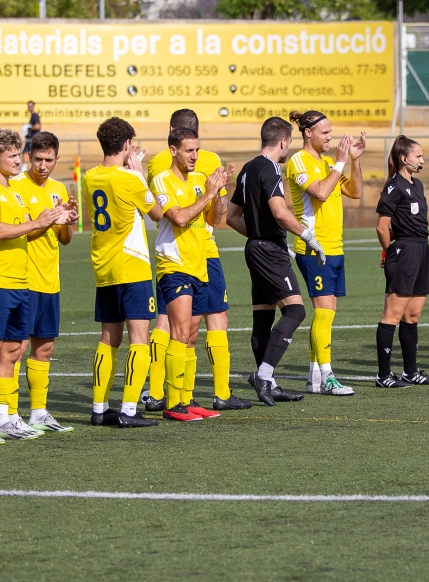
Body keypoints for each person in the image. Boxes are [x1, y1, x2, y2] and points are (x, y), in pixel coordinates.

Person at [0, 128, 71, 444]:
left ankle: (2, 418)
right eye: (12, 155)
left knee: (13, 350)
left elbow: (28, 232)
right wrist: (39, 222)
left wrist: (56, 221)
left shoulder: (13, 190)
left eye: (17, 153)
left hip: (21, 282)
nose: (17, 160)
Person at [143, 109, 250, 412]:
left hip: (201, 256)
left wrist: (215, 193)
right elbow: (169, 212)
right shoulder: (165, 170)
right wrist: (209, 194)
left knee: (180, 326)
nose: (194, 155)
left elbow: (216, 217)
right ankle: (182, 396)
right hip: (179, 256)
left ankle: (171, 395)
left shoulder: (200, 168)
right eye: (189, 149)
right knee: (183, 326)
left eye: (196, 149)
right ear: (175, 144)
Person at [226, 117, 323, 406]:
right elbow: (280, 212)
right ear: (282, 141)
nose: (288, 148)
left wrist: (258, 236)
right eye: (289, 143)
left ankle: (270, 383)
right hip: (268, 250)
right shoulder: (269, 168)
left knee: (263, 317)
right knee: (295, 312)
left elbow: (231, 217)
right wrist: (307, 236)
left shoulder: (247, 169)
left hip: (256, 247)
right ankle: (264, 375)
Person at [81, 117, 162, 428]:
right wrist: (139, 173)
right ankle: (129, 410)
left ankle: (99, 409)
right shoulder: (130, 180)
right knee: (139, 338)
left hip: (104, 267)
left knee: (108, 339)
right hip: (132, 265)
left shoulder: (90, 177)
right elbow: (155, 213)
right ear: (128, 145)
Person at [284, 110, 363, 396]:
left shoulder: (330, 162)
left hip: (335, 246)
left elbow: (354, 192)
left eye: (331, 132)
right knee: (324, 312)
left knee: (326, 313)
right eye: (325, 132)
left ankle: (315, 376)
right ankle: (328, 376)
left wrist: (353, 160)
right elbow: (319, 192)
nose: (331, 137)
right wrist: (340, 162)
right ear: (308, 133)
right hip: (314, 247)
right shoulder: (298, 161)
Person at [10, 131, 78, 432]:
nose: (43, 165)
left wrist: (68, 222)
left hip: (51, 280)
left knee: (45, 348)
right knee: (17, 348)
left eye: (49, 160)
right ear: (28, 157)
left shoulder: (59, 188)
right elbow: (22, 231)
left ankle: (38, 413)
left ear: (56, 159)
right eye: (37, 159)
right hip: (24, 280)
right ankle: (9, 414)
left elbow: (64, 240)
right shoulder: (15, 187)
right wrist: (46, 219)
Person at [374, 136, 429, 387]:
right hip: (404, 250)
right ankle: (383, 375)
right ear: (404, 158)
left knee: (412, 315)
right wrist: (391, 252)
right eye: (418, 156)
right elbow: (382, 227)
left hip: (421, 249)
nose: (422, 160)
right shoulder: (394, 186)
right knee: (392, 314)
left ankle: (411, 372)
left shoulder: (417, 184)